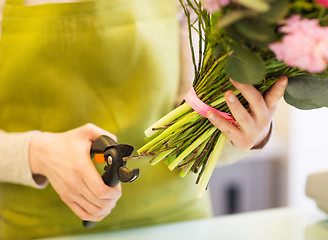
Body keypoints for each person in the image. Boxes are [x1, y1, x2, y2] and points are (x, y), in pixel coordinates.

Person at [0, 0, 288, 239]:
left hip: (176, 224)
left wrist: (247, 134)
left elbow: (198, 119)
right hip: (40, 229)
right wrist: (36, 154)